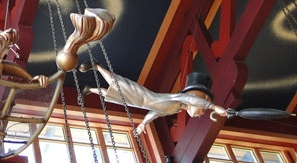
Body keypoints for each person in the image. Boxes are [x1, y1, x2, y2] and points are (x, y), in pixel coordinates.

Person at [80, 62, 228, 135]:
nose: (201, 113)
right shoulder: (180, 99)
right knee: (116, 82)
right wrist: (213, 107)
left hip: (139, 103)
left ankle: (89, 89)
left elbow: (155, 112)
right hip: (143, 95)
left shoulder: (175, 109)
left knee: (109, 94)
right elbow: (192, 100)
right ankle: (97, 66)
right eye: (202, 110)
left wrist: (143, 123)